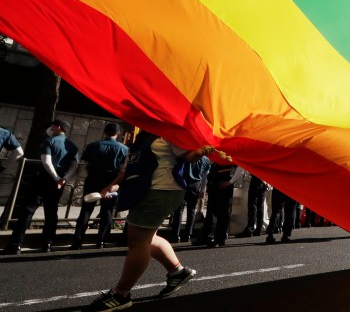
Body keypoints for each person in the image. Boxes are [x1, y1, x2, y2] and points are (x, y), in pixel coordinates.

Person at [84, 130, 215, 311]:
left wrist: (199, 153)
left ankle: (121, 294)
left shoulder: (168, 129)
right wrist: (112, 185)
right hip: (147, 191)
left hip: (162, 190)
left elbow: (189, 155)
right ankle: (178, 271)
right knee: (146, 237)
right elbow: (130, 166)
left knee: (138, 241)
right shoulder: (142, 135)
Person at [3, 119, 78, 254]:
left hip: (42, 179)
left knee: (28, 211)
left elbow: (46, 162)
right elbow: (74, 166)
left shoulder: (49, 142)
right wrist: (63, 179)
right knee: (51, 212)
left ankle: (15, 245)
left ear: (57, 127)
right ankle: (47, 244)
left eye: (52, 126)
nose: (50, 128)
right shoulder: (72, 146)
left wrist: (55, 177)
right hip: (58, 184)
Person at [71, 123, 129, 250]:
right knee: (107, 212)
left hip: (92, 180)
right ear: (118, 133)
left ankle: (77, 241)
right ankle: (101, 241)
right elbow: (122, 169)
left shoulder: (93, 146)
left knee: (86, 210)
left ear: (104, 132)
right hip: (110, 183)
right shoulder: (124, 149)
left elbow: (85, 165)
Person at [199, 160, 244, 248]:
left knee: (223, 212)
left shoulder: (232, 152)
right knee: (212, 210)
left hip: (224, 182)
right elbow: (209, 162)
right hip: (214, 181)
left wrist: (231, 181)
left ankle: (219, 237)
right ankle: (209, 236)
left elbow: (241, 167)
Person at [169, 155, 212, 243]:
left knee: (179, 210)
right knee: (191, 210)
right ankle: (188, 234)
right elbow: (205, 175)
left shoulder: (188, 155)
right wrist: (203, 189)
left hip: (183, 182)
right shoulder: (205, 159)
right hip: (196, 184)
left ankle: (175, 235)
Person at [235, 173, 269, 237]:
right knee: (260, 207)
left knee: (252, 206)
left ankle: (250, 229)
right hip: (263, 182)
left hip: (256, 180)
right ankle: (258, 229)